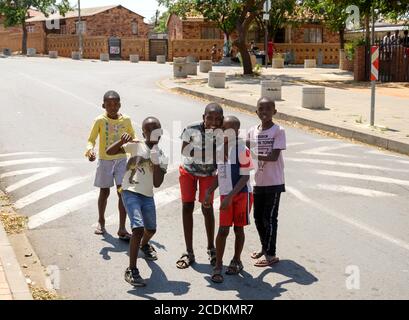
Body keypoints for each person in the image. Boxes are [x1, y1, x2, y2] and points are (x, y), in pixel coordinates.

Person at [106, 117, 168, 287]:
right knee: (138, 228)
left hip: (147, 196)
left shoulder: (162, 155)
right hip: (130, 191)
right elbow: (110, 152)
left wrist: (155, 162)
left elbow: (157, 183)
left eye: (157, 130)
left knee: (151, 229)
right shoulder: (136, 145)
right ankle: (132, 269)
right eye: (149, 131)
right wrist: (121, 141)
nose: (154, 134)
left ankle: (144, 244)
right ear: (144, 133)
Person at [204, 116, 254, 283]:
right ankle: (218, 265)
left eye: (231, 130)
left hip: (242, 194)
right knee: (223, 230)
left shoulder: (242, 149)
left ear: (237, 132)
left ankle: (236, 260)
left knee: (238, 229)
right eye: (224, 129)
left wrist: (230, 197)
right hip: (226, 194)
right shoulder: (219, 149)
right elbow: (221, 173)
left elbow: (245, 177)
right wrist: (210, 190)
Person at [176, 103, 224, 269]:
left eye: (218, 119)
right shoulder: (192, 128)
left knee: (207, 208)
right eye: (209, 117)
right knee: (187, 207)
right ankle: (189, 251)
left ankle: (211, 248)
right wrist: (209, 154)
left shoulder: (223, 132)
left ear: (222, 120)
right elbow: (185, 151)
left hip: (208, 174)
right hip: (189, 171)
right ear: (203, 117)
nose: (213, 121)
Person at [85, 90, 135, 240]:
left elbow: (134, 136)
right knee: (104, 192)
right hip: (105, 160)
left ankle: (122, 227)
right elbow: (91, 140)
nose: (112, 107)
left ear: (120, 104)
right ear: (103, 105)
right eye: (109, 105)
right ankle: (101, 220)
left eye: (115, 104)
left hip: (121, 160)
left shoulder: (126, 120)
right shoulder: (100, 120)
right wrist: (89, 151)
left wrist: (131, 139)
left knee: (122, 193)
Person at [247, 97, 286, 268]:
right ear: (256, 112)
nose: (264, 112)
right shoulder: (251, 131)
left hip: (274, 182)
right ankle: (265, 247)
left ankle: (271, 254)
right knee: (257, 217)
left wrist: (253, 155)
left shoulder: (278, 131)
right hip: (258, 182)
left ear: (274, 112)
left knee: (269, 218)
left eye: (268, 109)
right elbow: (243, 147)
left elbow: (274, 156)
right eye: (261, 109)